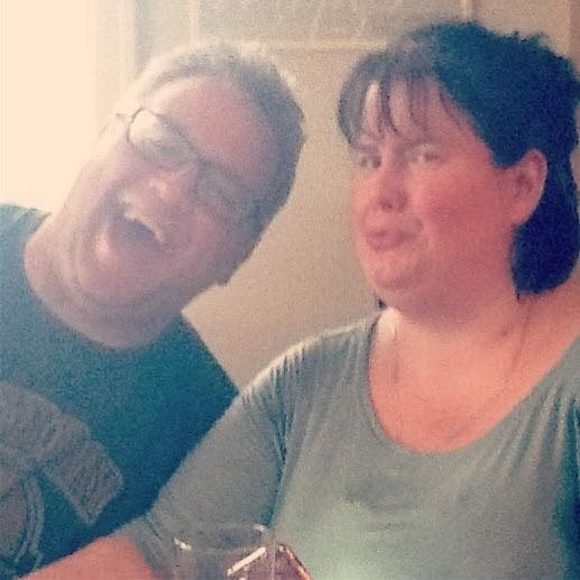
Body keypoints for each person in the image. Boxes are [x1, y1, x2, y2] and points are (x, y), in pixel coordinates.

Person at [29, 20, 579, 579]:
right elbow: (155, 553)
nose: (381, 191)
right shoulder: (304, 384)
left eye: (421, 155)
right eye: (369, 159)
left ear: (522, 186)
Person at [0, 43, 304, 577]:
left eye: (221, 192)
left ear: (237, 256)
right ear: (104, 132)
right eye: (161, 143)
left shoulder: (213, 441)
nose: (172, 189)